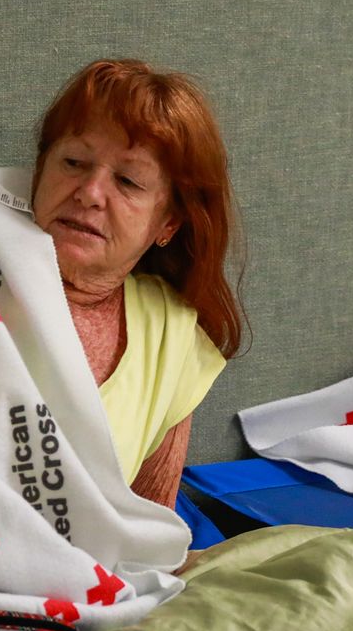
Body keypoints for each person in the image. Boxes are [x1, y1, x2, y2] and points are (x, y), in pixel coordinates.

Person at [29, 59, 244, 510]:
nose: (89, 192)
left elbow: (145, 529)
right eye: (73, 162)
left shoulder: (170, 336)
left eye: (127, 180)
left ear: (167, 222)